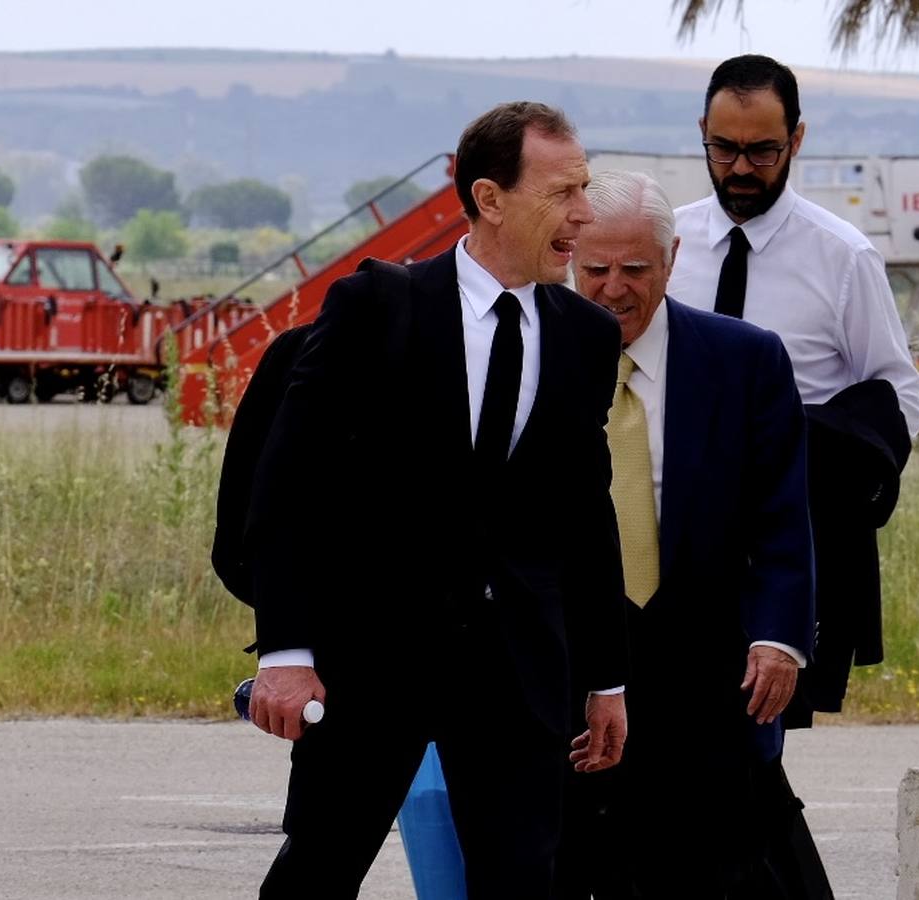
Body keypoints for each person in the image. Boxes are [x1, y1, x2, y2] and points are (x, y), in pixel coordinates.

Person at [241, 101, 630, 900]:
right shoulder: (377, 308)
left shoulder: (586, 337)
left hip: (518, 674)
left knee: (522, 880)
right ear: (490, 199)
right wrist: (285, 652)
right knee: (317, 869)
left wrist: (606, 677)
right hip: (372, 661)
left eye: (584, 189)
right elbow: (286, 489)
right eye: (562, 193)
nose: (583, 214)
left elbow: (585, 515)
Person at [554, 169, 816, 898]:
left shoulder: (744, 360)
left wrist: (779, 637)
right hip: (576, 673)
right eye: (595, 268)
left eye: (635, 269)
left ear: (672, 262)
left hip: (709, 678)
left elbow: (781, 516)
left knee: (715, 875)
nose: (613, 288)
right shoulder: (535, 354)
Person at [668, 54, 919, 721]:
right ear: (702, 131)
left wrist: (818, 457)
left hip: (784, 542)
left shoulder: (843, 258)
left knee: (762, 743)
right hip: (674, 544)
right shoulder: (667, 246)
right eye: (723, 149)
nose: (743, 169)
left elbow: (898, 395)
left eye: (763, 150)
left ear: (797, 140)